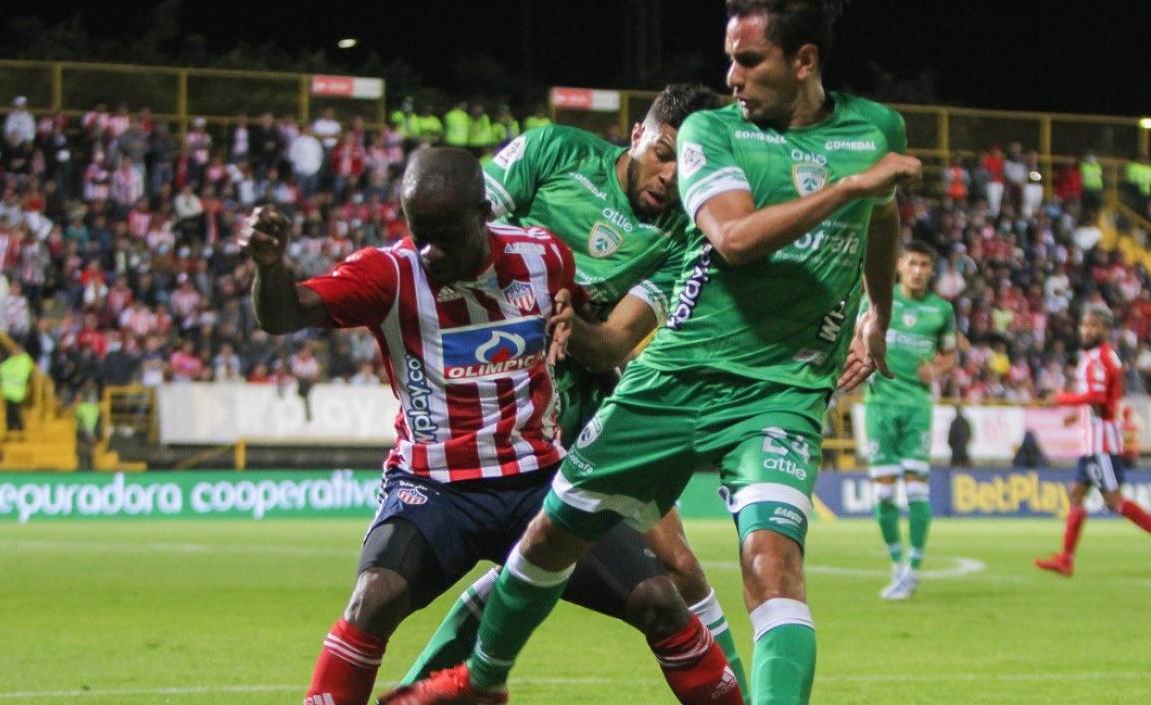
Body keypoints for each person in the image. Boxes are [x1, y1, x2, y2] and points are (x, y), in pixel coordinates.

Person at [393, 1, 923, 702]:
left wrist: (877, 314)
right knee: (555, 537)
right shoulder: (710, 132)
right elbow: (734, 239)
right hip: (672, 378)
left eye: (748, 60)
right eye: (729, 58)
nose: (730, 76)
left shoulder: (877, 129)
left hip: (782, 390)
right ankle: (480, 681)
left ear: (804, 61)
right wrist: (851, 185)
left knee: (770, 563)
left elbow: (881, 219)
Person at [241, 149, 738, 705]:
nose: (431, 251)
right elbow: (284, 314)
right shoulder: (391, 273)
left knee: (659, 600)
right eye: (419, 232)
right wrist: (269, 268)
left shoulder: (545, 257)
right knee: (373, 599)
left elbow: (587, 340)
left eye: (446, 235)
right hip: (435, 489)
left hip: (539, 486)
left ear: (484, 214)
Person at [392, 84, 749, 699]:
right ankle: (423, 688)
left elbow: (612, 344)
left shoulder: (684, 236)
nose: (668, 176)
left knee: (676, 565)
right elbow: (454, 238)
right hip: (504, 399)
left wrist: (571, 326)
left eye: (684, 165)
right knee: (537, 560)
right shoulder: (554, 152)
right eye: (662, 152)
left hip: (587, 401)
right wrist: (529, 296)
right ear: (638, 132)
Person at [1035, 305, 1151, 578]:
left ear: (1105, 329)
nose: (1087, 330)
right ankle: (1065, 559)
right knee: (1076, 494)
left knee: (1114, 501)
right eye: (1085, 325)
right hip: (1091, 439)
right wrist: (1076, 416)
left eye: (1094, 326)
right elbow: (1097, 400)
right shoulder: (1092, 356)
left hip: (1100, 443)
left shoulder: (1102, 358)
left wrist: (1062, 399)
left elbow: (1098, 397)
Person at [860, 240, 957, 600]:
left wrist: (937, 367)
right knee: (884, 491)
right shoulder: (877, 301)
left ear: (931, 271)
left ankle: (914, 569)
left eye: (925, 265)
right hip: (879, 405)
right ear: (900, 265)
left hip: (916, 406)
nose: (918, 270)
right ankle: (897, 566)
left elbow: (950, 355)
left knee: (916, 487)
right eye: (912, 263)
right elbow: (855, 340)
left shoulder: (941, 310)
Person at [0, 346, 34, 439]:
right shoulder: (11, 361)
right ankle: (10, 431)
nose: (14, 352)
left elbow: (20, 374)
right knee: (9, 412)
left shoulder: (24, 361)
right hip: (8, 392)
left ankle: (20, 431)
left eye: (16, 350)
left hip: (16, 392)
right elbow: (2, 369)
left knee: (16, 413)